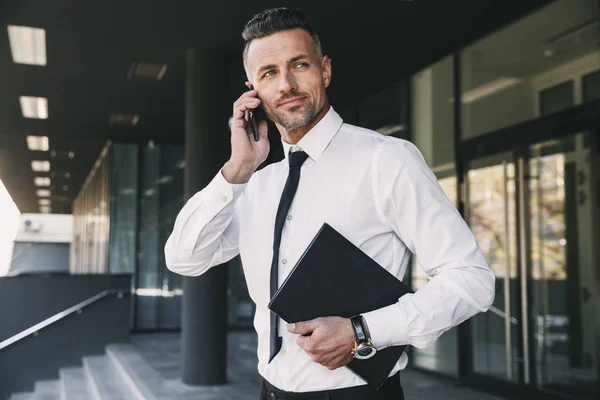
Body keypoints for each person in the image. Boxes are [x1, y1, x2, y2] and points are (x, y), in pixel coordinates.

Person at [165, 7, 495, 400]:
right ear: (253, 89)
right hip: (270, 391)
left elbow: (472, 279)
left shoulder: (386, 159)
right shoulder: (256, 183)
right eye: (269, 73)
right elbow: (185, 258)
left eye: (299, 65)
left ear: (325, 70)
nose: (286, 84)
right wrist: (237, 169)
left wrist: (362, 331)